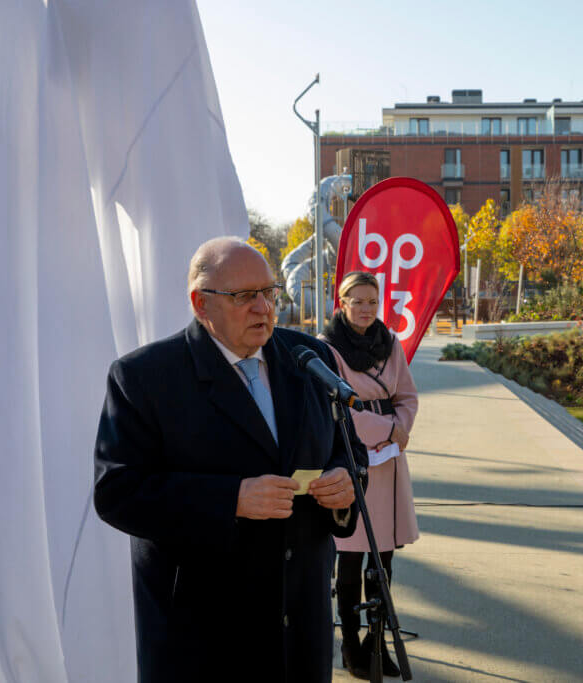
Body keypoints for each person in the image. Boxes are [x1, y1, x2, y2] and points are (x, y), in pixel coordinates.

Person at [93, 237, 367, 683]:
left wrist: (344, 483)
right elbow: (117, 492)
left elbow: (349, 449)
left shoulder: (309, 358)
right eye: (244, 296)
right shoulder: (144, 378)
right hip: (205, 639)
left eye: (269, 292)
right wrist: (232, 498)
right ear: (202, 304)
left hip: (301, 629)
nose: (263, 308)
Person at [320, 271, 420, 680]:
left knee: (384, 559)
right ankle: (350, 645)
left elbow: (407, 396)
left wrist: (400, 429)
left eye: (371, 302)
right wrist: (384, 430)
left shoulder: (390, 343)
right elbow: (336, 408)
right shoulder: (328, 348)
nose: (365, 309)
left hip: (391, 461)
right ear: (341, 303)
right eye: (357, 301)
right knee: (350, 559)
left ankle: (378, 640)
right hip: (353, 459)